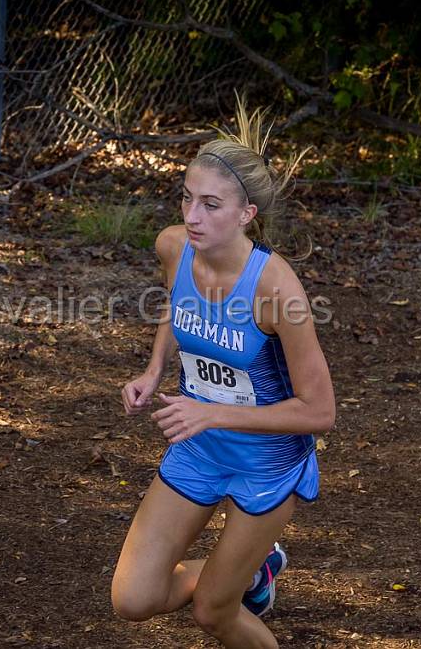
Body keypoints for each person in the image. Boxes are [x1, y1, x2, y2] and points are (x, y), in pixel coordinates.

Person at [112, 99, 336, 649]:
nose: (192, 217)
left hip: (265, 464)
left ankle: (237, 582)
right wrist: (154, 366)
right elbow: (176, 306)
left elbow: (320, 412)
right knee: (133, 600)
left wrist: (211, 410)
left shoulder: (276, 290)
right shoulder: (175, 248)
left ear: (246, 215)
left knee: (214, 613)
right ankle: (251, 573)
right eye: (187, 199)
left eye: (211, 205)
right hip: (199, 447)